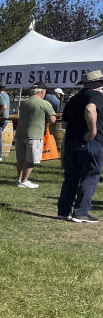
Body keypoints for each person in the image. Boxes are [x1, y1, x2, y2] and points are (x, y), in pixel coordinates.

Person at [56, 69, 103, 222]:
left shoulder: (73, 99)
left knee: (70, 177)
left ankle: (63, 210)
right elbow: (90, 109)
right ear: (96, 83)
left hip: (71, 141)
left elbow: (64, 124)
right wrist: (92, 130)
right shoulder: (96, 96)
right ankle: (81, 212)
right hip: (89, 141)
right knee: (90, 175)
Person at [15, 84, 56, 189]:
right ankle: (24, 181)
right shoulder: (45, 103)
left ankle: (19, 179)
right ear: (42, 91)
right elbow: (52, 119)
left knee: (21, 159)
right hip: (34, 134)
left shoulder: (24, 103)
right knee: (31, 159)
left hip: (20, 134)